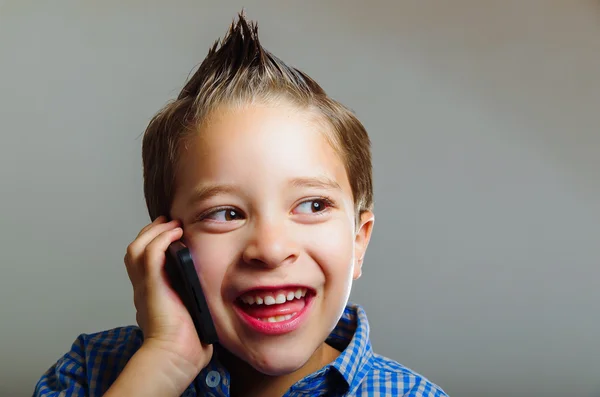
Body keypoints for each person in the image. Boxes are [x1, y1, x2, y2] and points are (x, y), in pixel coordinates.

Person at [33, 12, 448, 397]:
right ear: (168, 250)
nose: (269, 250)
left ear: (358, 243)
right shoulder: (88, 373)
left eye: (312, 205)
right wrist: (163, 366)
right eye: (225, 213)